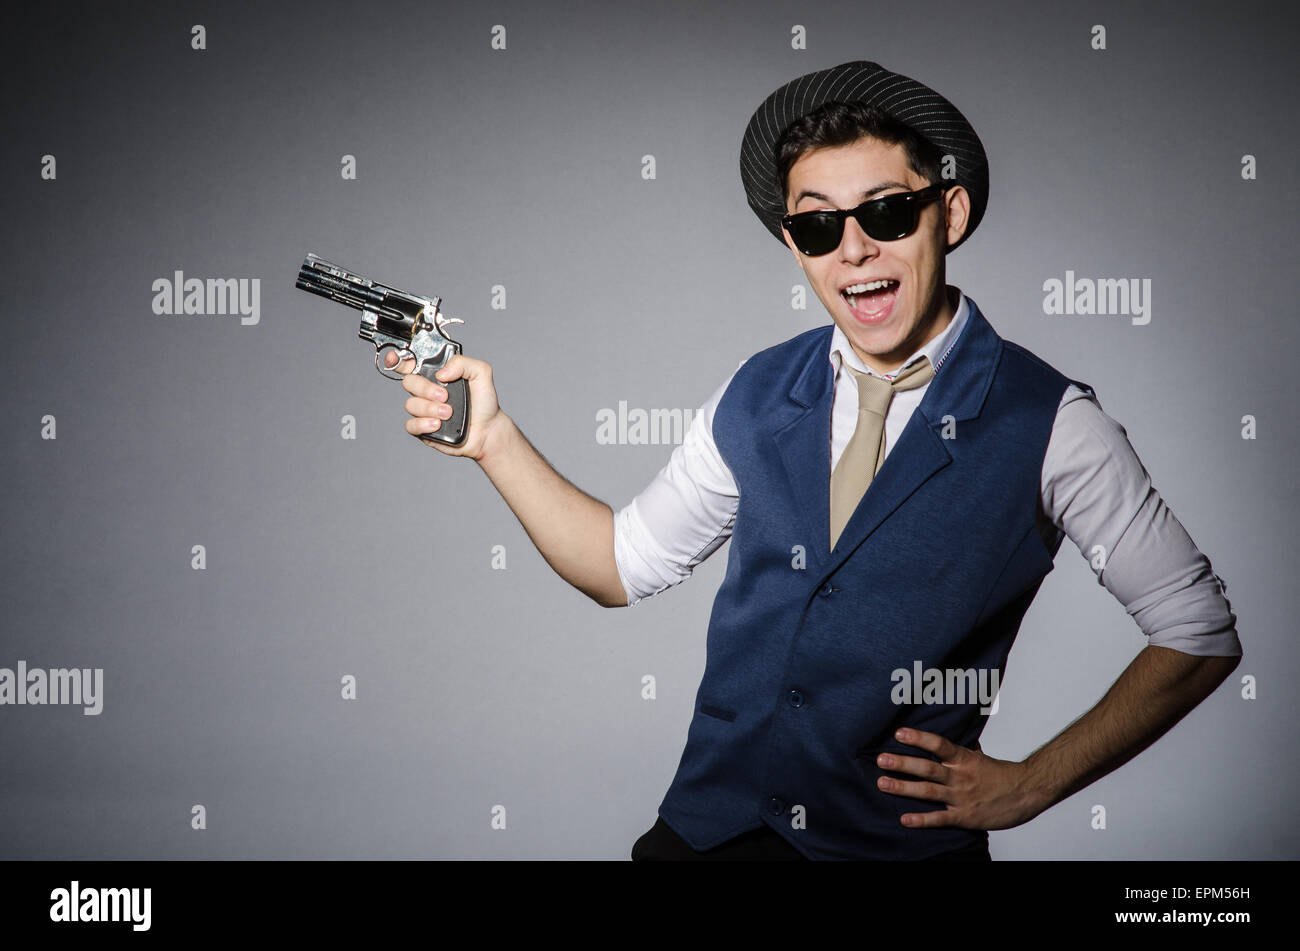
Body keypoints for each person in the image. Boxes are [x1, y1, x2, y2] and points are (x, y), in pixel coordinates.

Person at [387, 61, 1242, 861]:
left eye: (886, 212)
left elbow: (1197, 633)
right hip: (706, 838)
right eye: (819, 224)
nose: (855, 249)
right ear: (796, 244)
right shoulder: (756, 390)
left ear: (949, 214)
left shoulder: (1053, 422)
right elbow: (619, 565)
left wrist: (1031, 785)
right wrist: (493, 441)